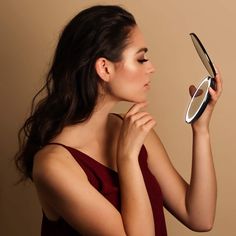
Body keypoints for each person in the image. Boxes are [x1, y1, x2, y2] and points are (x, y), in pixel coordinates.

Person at [15, 4, 222, 236]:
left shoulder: (132, 130)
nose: (152, 67)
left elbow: (199, 217)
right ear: (104, 68)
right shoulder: (53, 166)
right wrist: (127, 157)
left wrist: (201, 129)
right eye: (141, 58)